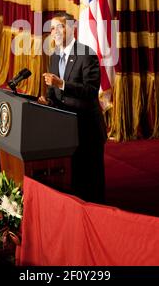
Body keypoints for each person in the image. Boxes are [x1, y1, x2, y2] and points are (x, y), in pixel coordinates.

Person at [38, 12, 107, 204]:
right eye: (51, 28)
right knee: (74, 180)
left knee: (92, 183)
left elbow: (91, 91)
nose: (52, 32)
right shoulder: (54, 56)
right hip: (65, 130)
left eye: (56, 27)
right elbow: (53, 92)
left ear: (69, 28)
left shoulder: (86, 54)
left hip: (87, 129)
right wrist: (47, 100)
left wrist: (62, 84)